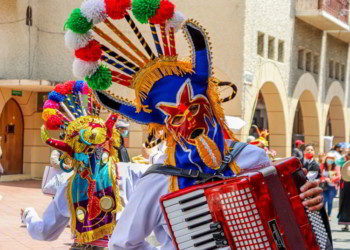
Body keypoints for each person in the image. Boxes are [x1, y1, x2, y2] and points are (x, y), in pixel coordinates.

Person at [63, 1, 327, 248]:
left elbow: (289, 212)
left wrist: (308, 201)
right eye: (176, 118)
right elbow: (122, 244)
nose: (190, 122)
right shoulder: (158, 181)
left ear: (210, 104)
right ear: (165, 126)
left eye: (195, 107)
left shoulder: (253, 158)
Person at [320, 152, 341, 220]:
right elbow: (320, 174)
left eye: (332, 159)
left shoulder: (336, 166)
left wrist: (331, 179)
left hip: (332, 186)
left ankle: (329, 215)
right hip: (324, 186)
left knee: (329, 201)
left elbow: (339, 176)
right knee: (324, 200)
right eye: (329, 158)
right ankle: (324, 215)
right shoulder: (322, 166)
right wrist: (324, 179)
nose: (330, 160)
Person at [337, 149, 350, 231]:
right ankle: (346, 225)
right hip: (345, 186)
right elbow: (337, 162)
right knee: (344, 205)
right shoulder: (343, 162)